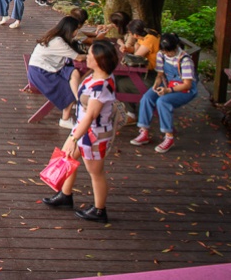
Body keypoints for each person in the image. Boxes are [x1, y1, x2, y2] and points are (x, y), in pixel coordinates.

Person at [42, 40, 120, 224]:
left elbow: (91, 115)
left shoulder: (101, 86)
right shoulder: (97, 76)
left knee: (95, 172)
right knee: (68, 158)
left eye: (91, 55)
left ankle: (100, 210)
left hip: (94, 134)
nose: (87, 57)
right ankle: (65, 195)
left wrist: (73, 137)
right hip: (83, 130)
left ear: (99, 60)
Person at [131, 33, 197, 153]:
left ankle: (169, 137)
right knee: (147, 97)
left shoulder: (185, 59)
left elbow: (187, 84)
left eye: (169, 52)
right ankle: (144, 132)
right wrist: (156, 85)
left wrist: (168, 91)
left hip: (184, 89)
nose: (167, 54)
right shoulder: (161, 54)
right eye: (165, 51)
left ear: (176, 47)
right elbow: (160, 74)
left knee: (163, 101)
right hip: (167, 83)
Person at [26, 16, 83, 128]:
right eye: (77, 30)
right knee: (68, 90)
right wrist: (93, 56)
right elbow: (79, 58)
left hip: (52, 67)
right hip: (41, 73)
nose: (77, 32)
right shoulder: (58, 41)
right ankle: (65, 119)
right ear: (70, 29)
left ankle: (78, 99)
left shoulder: (56, 36)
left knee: (75, 72)